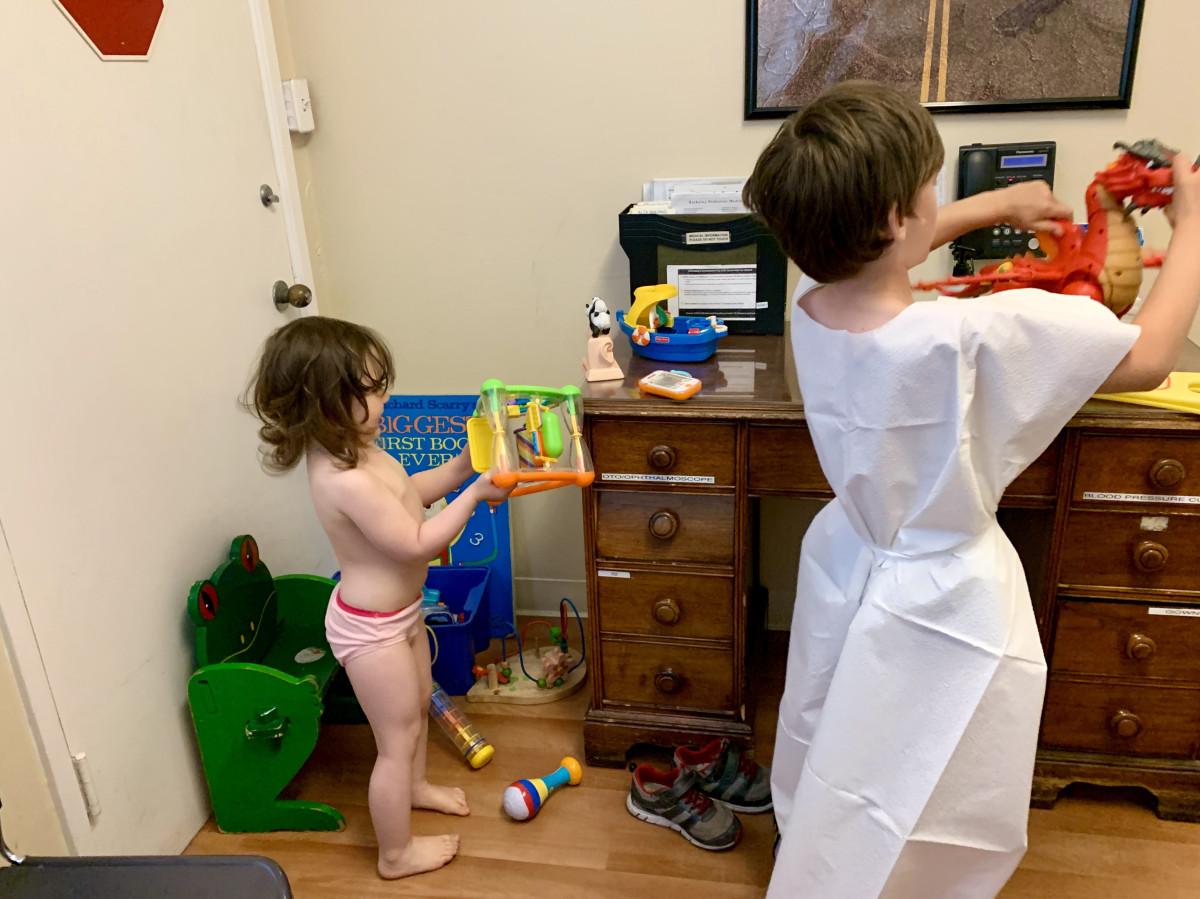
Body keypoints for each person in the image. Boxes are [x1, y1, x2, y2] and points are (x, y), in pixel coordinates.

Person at [742, 80, 1200, 897]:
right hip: (946, 594)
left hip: (851, 561)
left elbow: (878, 249)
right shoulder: (974, 336)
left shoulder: (809, 306)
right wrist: (1194, 226)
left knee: (843, 733)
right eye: (931, 187)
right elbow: (1150, 354)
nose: (936, 200)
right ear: (896, 218)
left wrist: (995, 203)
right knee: (930, 763)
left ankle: (822, 857)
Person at [246, 316, 513, 879]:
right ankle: (395, 854)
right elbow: (415, 542)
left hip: (400, 615)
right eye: (368, 389)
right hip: (372, 630)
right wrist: (473, 496)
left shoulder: (360, 452)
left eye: (379, 384)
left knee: (416, 711)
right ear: (322, 404)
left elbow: (410, 493)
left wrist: (464, 465)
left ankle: (415, 788)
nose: (384, 397)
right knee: (397, 739)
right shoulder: (345, 479)